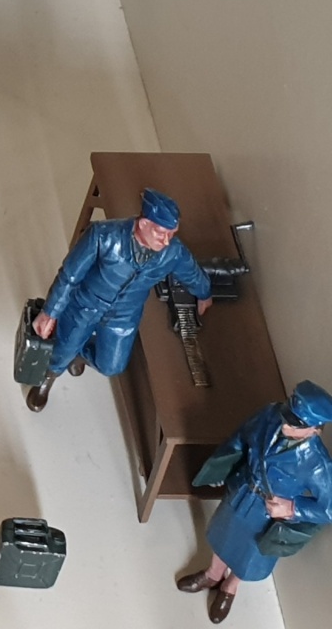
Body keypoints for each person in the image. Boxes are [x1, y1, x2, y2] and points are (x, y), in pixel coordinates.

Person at [26, 188, 212, 412]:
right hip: (85, 305)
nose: (166, 241)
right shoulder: (102, 236)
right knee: (62, 350)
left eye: (171, 234)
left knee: (111, 366)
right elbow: (70, 275)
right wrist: (50, 311)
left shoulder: (173, 252)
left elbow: (191, 273)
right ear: (144, 224)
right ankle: (49, 377)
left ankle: (78, 355)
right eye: (160, 233)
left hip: (123, 316)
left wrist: (204, 293)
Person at [176, 380, 332, 623]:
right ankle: (213, 574)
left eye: (296, 424)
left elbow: (329, 508)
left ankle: (230, 587)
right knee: (223, 536)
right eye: (288, 416)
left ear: (315, 430)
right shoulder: (270, 415)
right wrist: (221, 466)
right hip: (242, 491)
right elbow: (240, 437)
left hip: (267, 516)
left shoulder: (317, 463)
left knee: (249, 554)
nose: (286, 424)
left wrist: (293, 508)